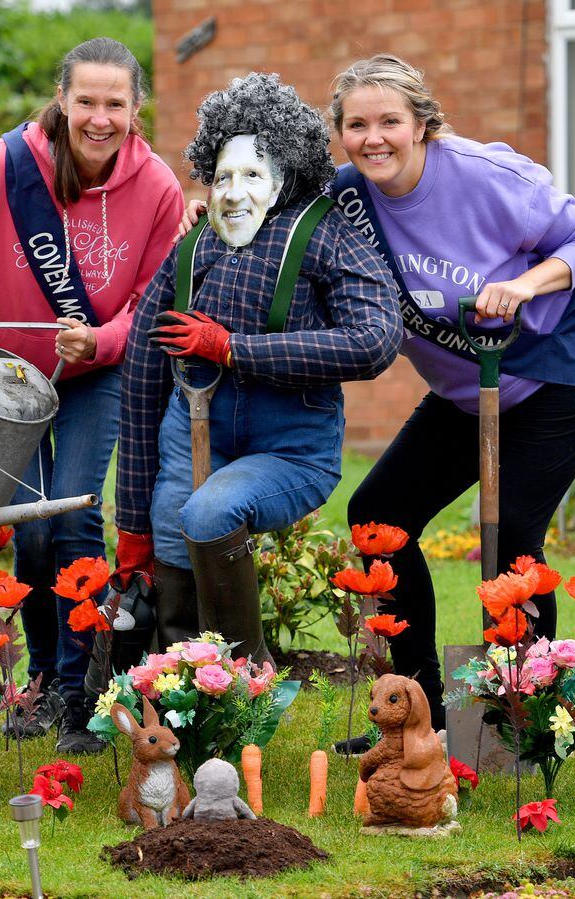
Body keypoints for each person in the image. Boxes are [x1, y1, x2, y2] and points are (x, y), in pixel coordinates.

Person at [328, 54, 575, 750]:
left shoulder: (485, 177)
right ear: (340, 134)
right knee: (380, 513)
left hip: (562, 363)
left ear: (423, 125)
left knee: (512, 528)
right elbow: (271, 218)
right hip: (471, 385)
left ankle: (544, 715)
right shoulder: (344, 199)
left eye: (391, 122)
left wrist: (525, 287)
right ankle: (419, 710)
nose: (375, 138)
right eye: (357, 124)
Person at [0, 37, 183, 754]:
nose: (100, 118)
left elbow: (150, 303)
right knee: (29, 528)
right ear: (63, 100)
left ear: (136, 108)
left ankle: (80, 689)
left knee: (72, 515)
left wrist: (98, 342)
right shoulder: (7, 162)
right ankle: (40, 674)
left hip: (94, 374)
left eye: (116, 104)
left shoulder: (158, 187)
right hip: (2, 376)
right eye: (87, 102)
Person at [112, 73, 401, 665]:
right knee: (170, 524)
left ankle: (245, 677)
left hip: (291, 444)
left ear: (287, 173)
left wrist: (234, 350)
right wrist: (131, 519)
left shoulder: (326, 236)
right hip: (193, 422)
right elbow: (142, 380)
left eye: (252, 174)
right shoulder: (194, 245)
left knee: (210, 511)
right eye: (222, 175)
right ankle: (182, 693)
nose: (234, 192)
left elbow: (375, 340)